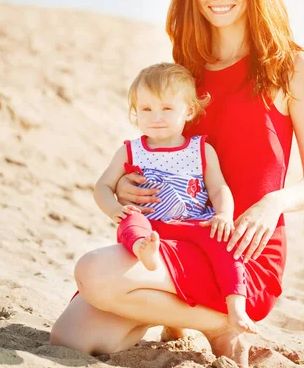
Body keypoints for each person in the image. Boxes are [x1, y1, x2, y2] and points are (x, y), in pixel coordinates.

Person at [50, 0, 304, 368]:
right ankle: (195, 316)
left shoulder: (290, 66)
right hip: (173, 236)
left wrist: (273, 203)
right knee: (71, 337)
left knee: (95, 272)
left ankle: (220, 322)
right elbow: (161, 146)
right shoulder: (186, 68)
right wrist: (124, 185)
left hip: (239, 251)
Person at [93, 62, 257, 333]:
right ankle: (143, 252)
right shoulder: (131, 151)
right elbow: (102, 187)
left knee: (225, 245)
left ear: (189, 110)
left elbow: (218, 188)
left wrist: (224, 215)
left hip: (194, 223)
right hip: (152, 226)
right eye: (146, 109)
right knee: (131, 222)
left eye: (167, 108)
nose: (155, 117)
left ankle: (236, 308)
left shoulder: (201, 149)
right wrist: (114, 210)